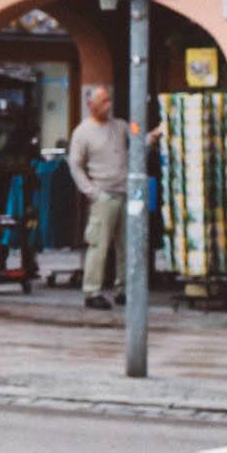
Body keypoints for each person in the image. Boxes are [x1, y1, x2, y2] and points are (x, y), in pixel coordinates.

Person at [67, 83, 156, 310]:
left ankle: (124, 288)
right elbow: (75, 165)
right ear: (91, 104)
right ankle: (92, 290)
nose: (108, 106)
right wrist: (92, 192)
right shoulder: (82, 132)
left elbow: (138, 142)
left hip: (125, 191)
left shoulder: (121, 126)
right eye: (103, 101)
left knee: (127, 245)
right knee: (99, 244)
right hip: (103, 194)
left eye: (109, 101)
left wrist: (152, 137)